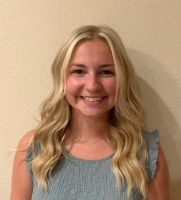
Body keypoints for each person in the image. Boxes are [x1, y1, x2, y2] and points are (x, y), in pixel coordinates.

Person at [10, 25, 170, 200]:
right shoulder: (34, 148)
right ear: (62, 78)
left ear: (122, 78)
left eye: (106, 72)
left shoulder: (145, 152)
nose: (92, 85)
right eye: (78, 71)